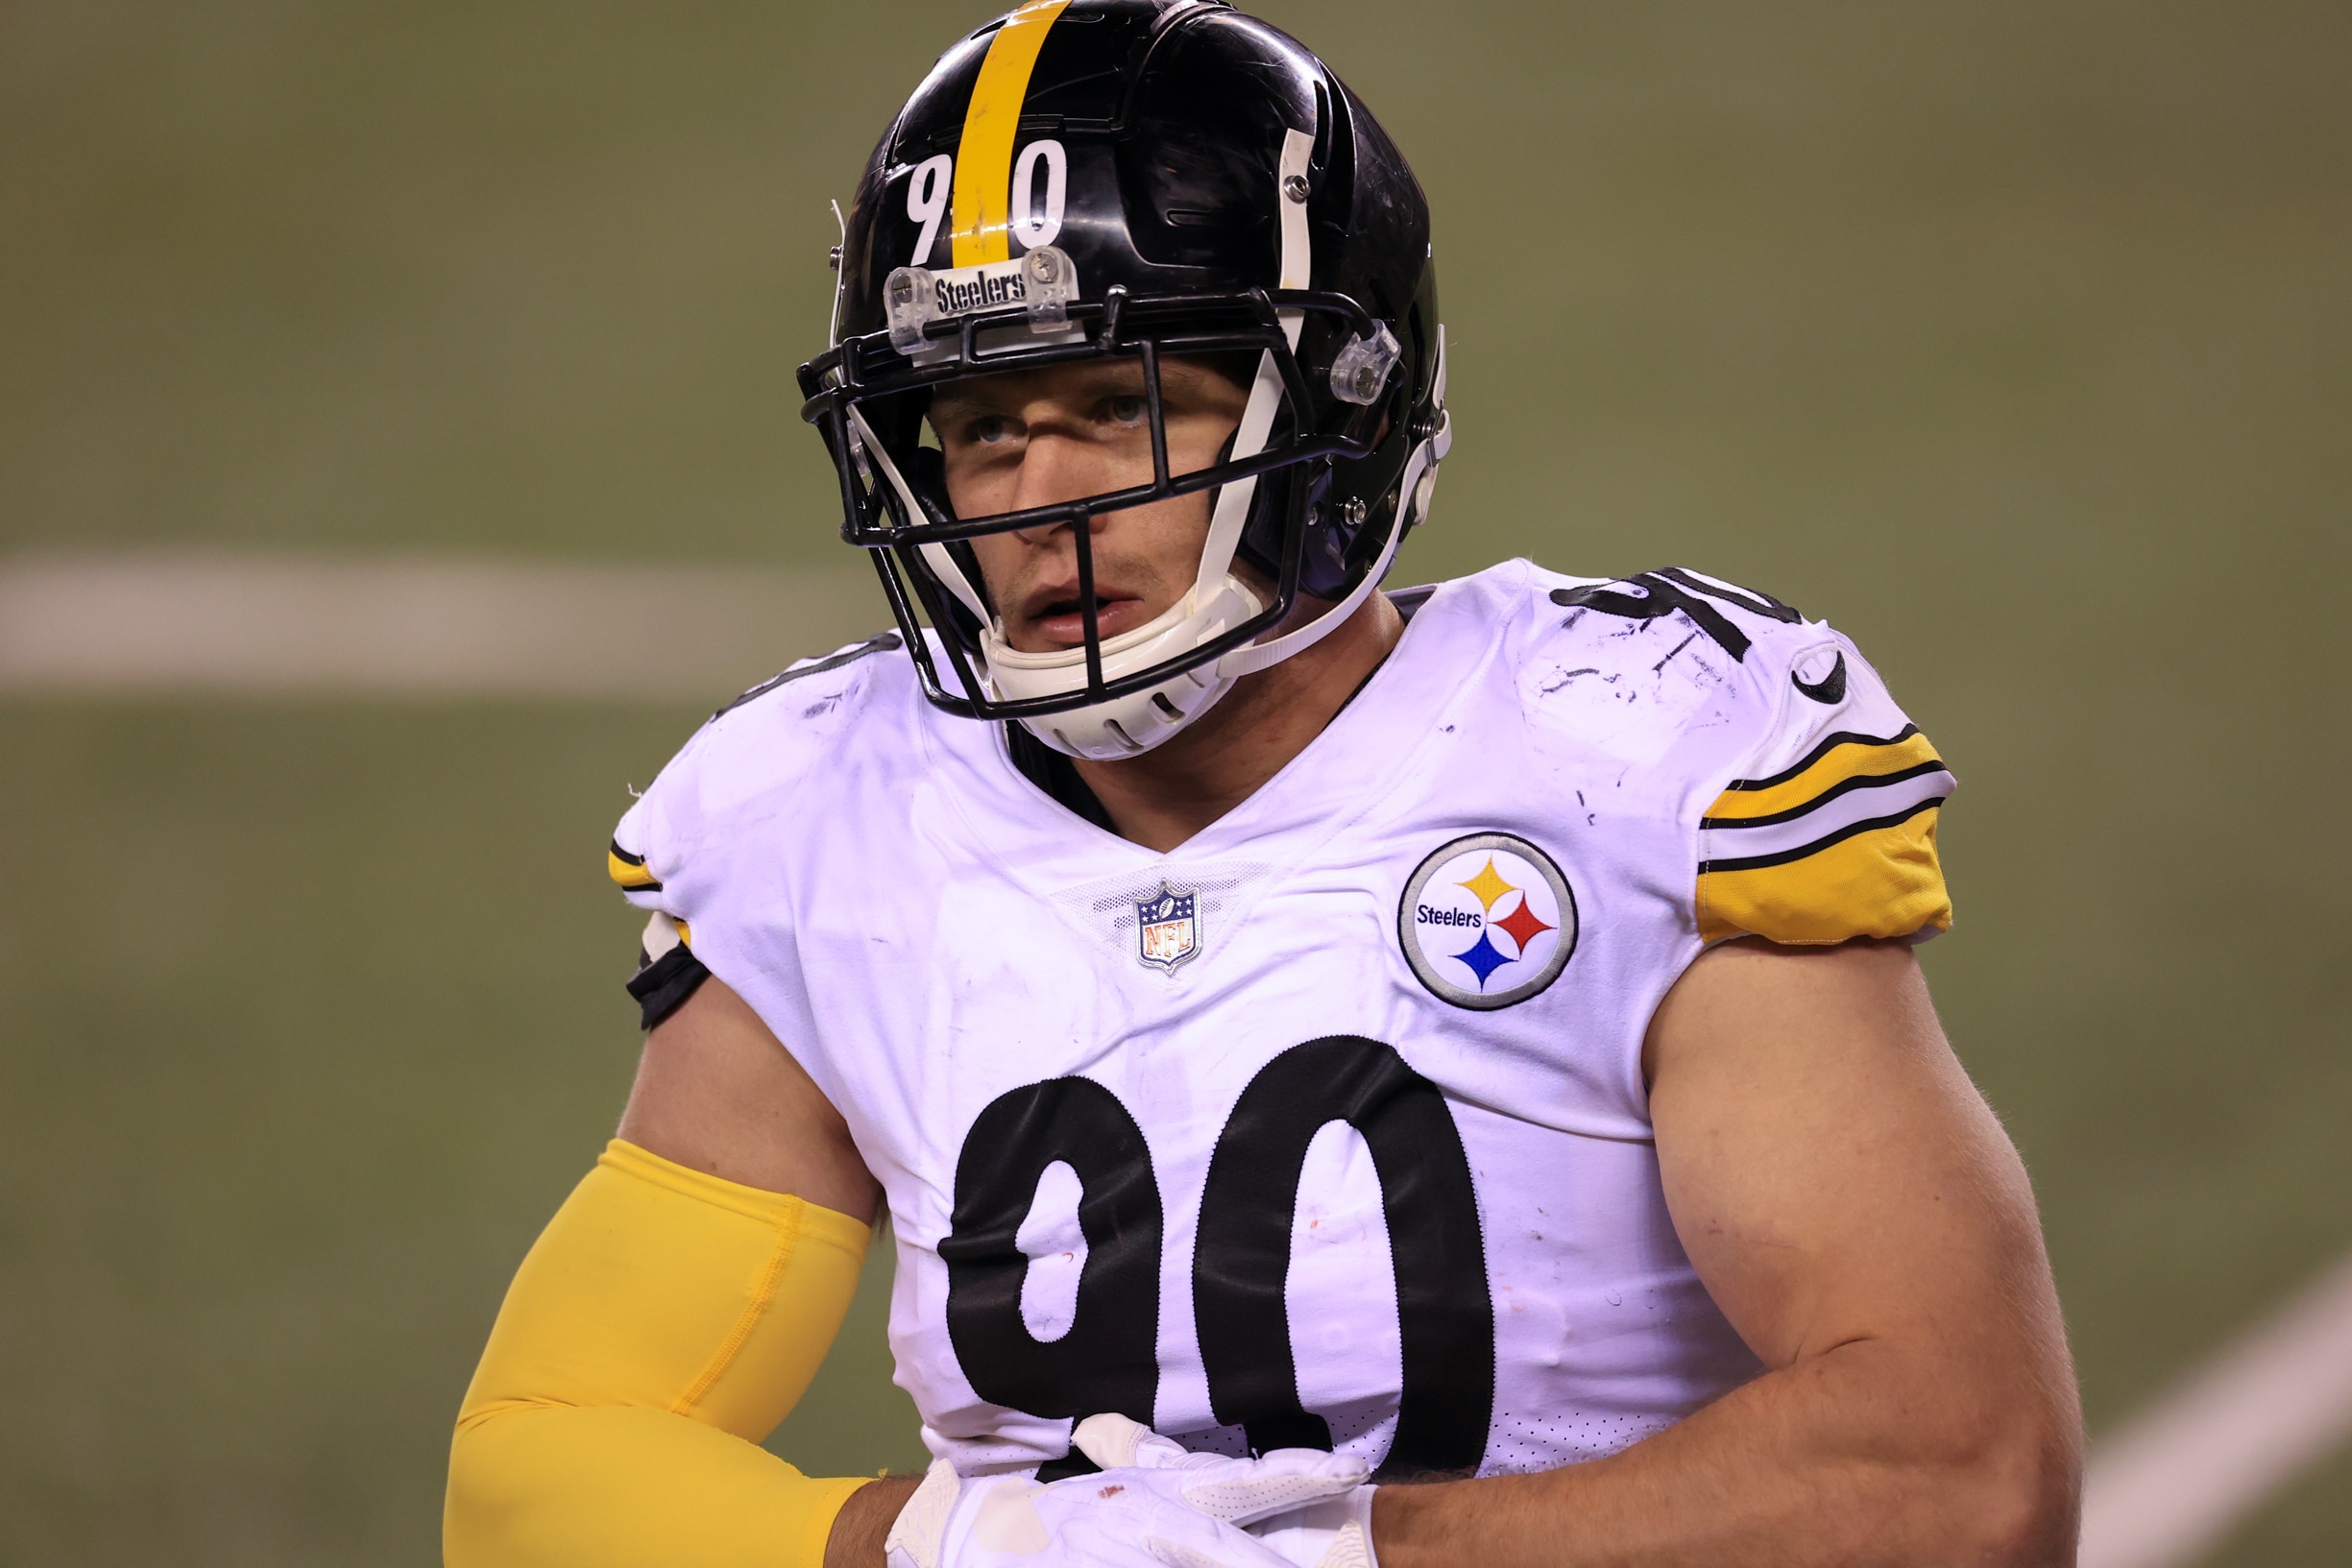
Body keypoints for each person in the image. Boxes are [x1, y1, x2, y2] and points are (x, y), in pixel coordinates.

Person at [445, 3, 2082, 1565]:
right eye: (979, 424)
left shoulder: (1624, 749)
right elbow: (539, 1470)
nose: (1038, 495)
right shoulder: (820, 817)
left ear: (1340, 406)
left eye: (1119, 403)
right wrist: (961, 1541)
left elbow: (1958, 1470)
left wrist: (1332, 1555)